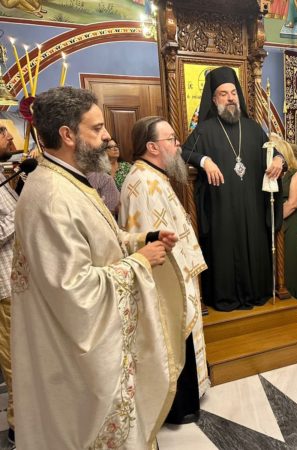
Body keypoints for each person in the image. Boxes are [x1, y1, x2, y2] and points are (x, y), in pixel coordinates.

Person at [20, 86, 182, 448]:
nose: (108, 136)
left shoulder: (69, 179)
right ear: (68, 135)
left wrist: (142, 239)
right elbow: (73, 288)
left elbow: (99, 239)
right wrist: (140, 262)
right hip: (77, 356)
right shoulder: (52, 196)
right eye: (96, 128)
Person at [119, 116, 210, 424]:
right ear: (152, 147)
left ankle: (189, 398)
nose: (178, 145)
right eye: (171, 139)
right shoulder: (144, 183)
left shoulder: (153, 176)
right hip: (166, 281)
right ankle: (178, 406)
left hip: (178, 274)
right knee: (172, 338)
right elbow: (151, 241)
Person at [181, 66, 284, 311]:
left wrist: (280, 159)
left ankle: (255, 292)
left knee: (253, 247)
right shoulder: (205, 130)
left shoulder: (253, 128)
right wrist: (204, 161)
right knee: (224, 251)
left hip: (252, 208)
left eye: (233, 93)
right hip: (222, 209)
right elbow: (182, 152)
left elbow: (272, 153)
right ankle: (225, 297)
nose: (230, 98)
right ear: (213, 99)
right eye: (223, 93)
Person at [271, 135, 297, 300]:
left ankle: (293, 295)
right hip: (274, 219)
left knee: (289, 259)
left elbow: (293, 203)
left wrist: (273, 219)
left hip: (289, 220)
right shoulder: (271, 173)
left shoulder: (295, 174)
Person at [0, 125, 17, 445]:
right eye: (4, 134)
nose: (11, 138)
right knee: (16, 359)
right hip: (4, 288)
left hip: (18, 283)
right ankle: (20, 424)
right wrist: (23, 212)